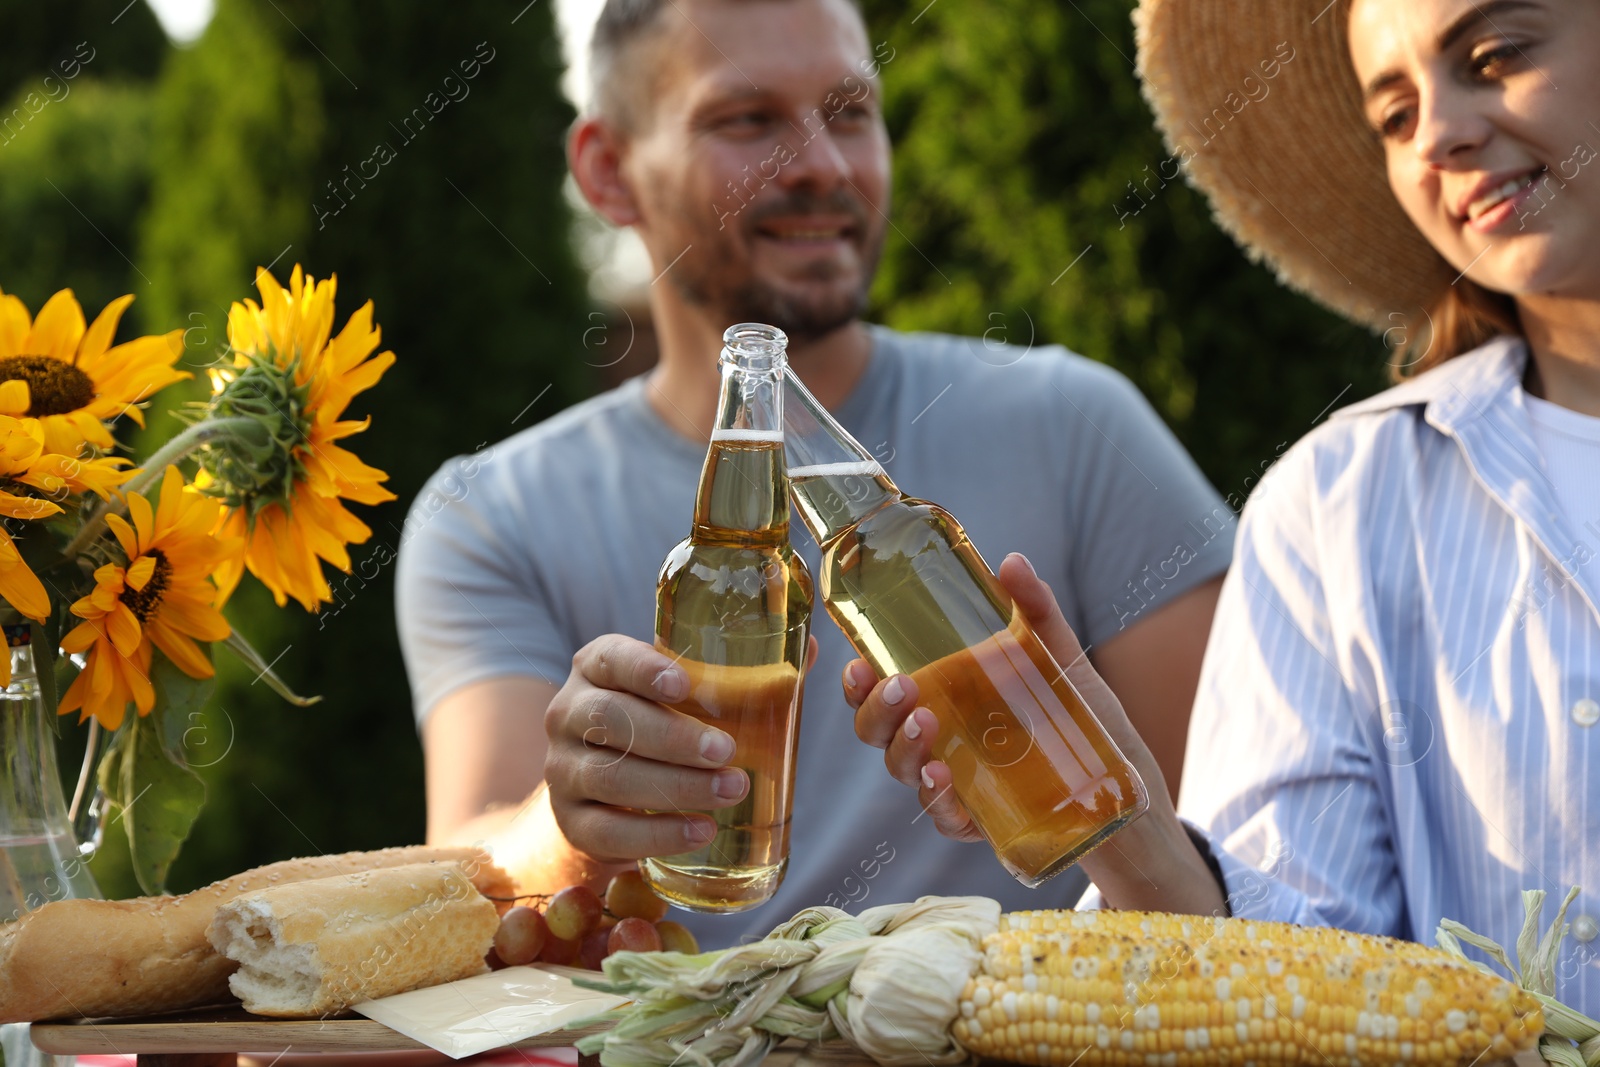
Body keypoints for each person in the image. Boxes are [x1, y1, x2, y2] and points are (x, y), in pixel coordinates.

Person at [397, 0, 1232, 946]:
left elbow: (1240, 841)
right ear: (608, 169)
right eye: (747, 120)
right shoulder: (487, 514)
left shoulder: (1078, 421)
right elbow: (467, 888)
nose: (823, 166)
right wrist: (571, 819)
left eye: (848, 113)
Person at [850, 0, 1600, 1015]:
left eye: (1494, 55)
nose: (1440, 134)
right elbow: (1301, 976)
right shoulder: (1334, 510)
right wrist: (1130, 827)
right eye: (1392, 115)